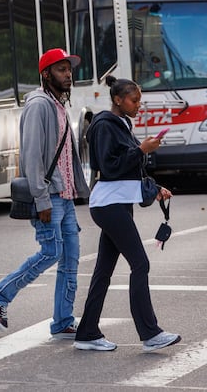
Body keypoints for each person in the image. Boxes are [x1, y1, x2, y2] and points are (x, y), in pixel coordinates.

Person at [0, 48, 90, 338]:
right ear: (46, 74)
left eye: (69, 70)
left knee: (70, 259)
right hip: (49, 196)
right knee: (51, 252)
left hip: (64, 196)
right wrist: (42, 198)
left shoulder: (58, 105)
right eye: (61, 70)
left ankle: (62, 321)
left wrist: (79, 191)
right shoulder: (39, 105)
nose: (68, 75)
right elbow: (31, 156)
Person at [73, 76, 180, 352]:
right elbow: (111, 168)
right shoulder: (105, 125)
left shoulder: (120, 124)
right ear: (118, 100)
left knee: (103, 271)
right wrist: (142, 149)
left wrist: (154, 187)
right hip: (109, 205)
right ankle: (150, 333)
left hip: (116, 203)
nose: (138, 106)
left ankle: (86, 332)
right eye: (134, 101)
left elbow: (128, 170)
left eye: (140, 101)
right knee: (140, 264)